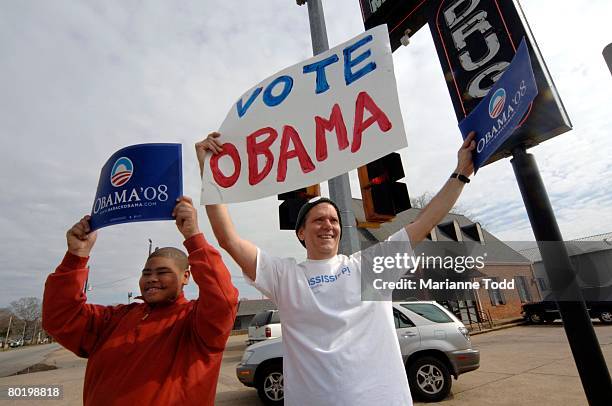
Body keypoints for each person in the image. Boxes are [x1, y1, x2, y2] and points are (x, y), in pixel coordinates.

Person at [196, 131, 476, 406]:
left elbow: (424, 222)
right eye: (318, 220)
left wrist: (461, 174)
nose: (328, 225)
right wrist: (207, 171)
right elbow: (228, 239)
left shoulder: (368, 268)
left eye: (333, 220)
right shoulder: (285, 276)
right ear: (301, 233)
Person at [42, 196, 239, 406]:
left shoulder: (197, 324)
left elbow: (222, 299)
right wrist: (75, 256)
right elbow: (59, 318)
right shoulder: (114, 319)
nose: (152, 278)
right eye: (146, 273)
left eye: (163, 272)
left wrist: (194, 237)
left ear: (186, 277)